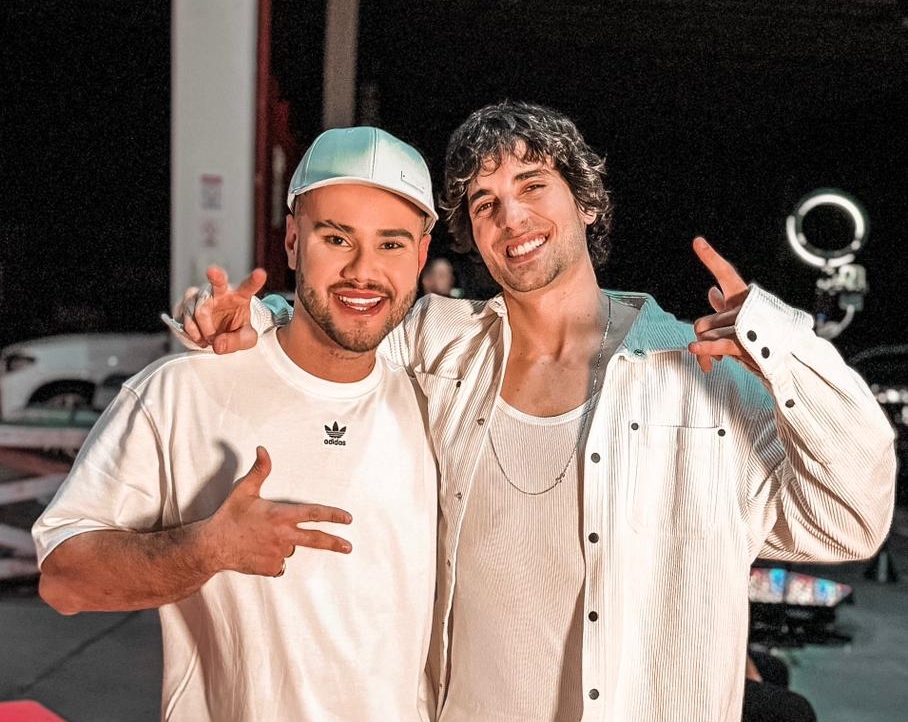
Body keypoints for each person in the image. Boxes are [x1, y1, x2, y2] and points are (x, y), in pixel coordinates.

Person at [175, 101, 896, 722]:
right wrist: (250, 322)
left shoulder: (697, 375)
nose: (511, 216)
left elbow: (851, 519)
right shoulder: (439, 345)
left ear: (586, 202)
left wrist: (783, 346)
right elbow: (338, 326)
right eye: (484, 203)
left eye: (532, 185)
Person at [32, 126, 440, 721]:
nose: (363, 270)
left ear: (421, 256)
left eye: (391, 244)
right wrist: (208, 549)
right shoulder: (182, 391)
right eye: (336, 238)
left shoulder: (435, 405)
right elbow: (63, 581)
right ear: (293, 242)